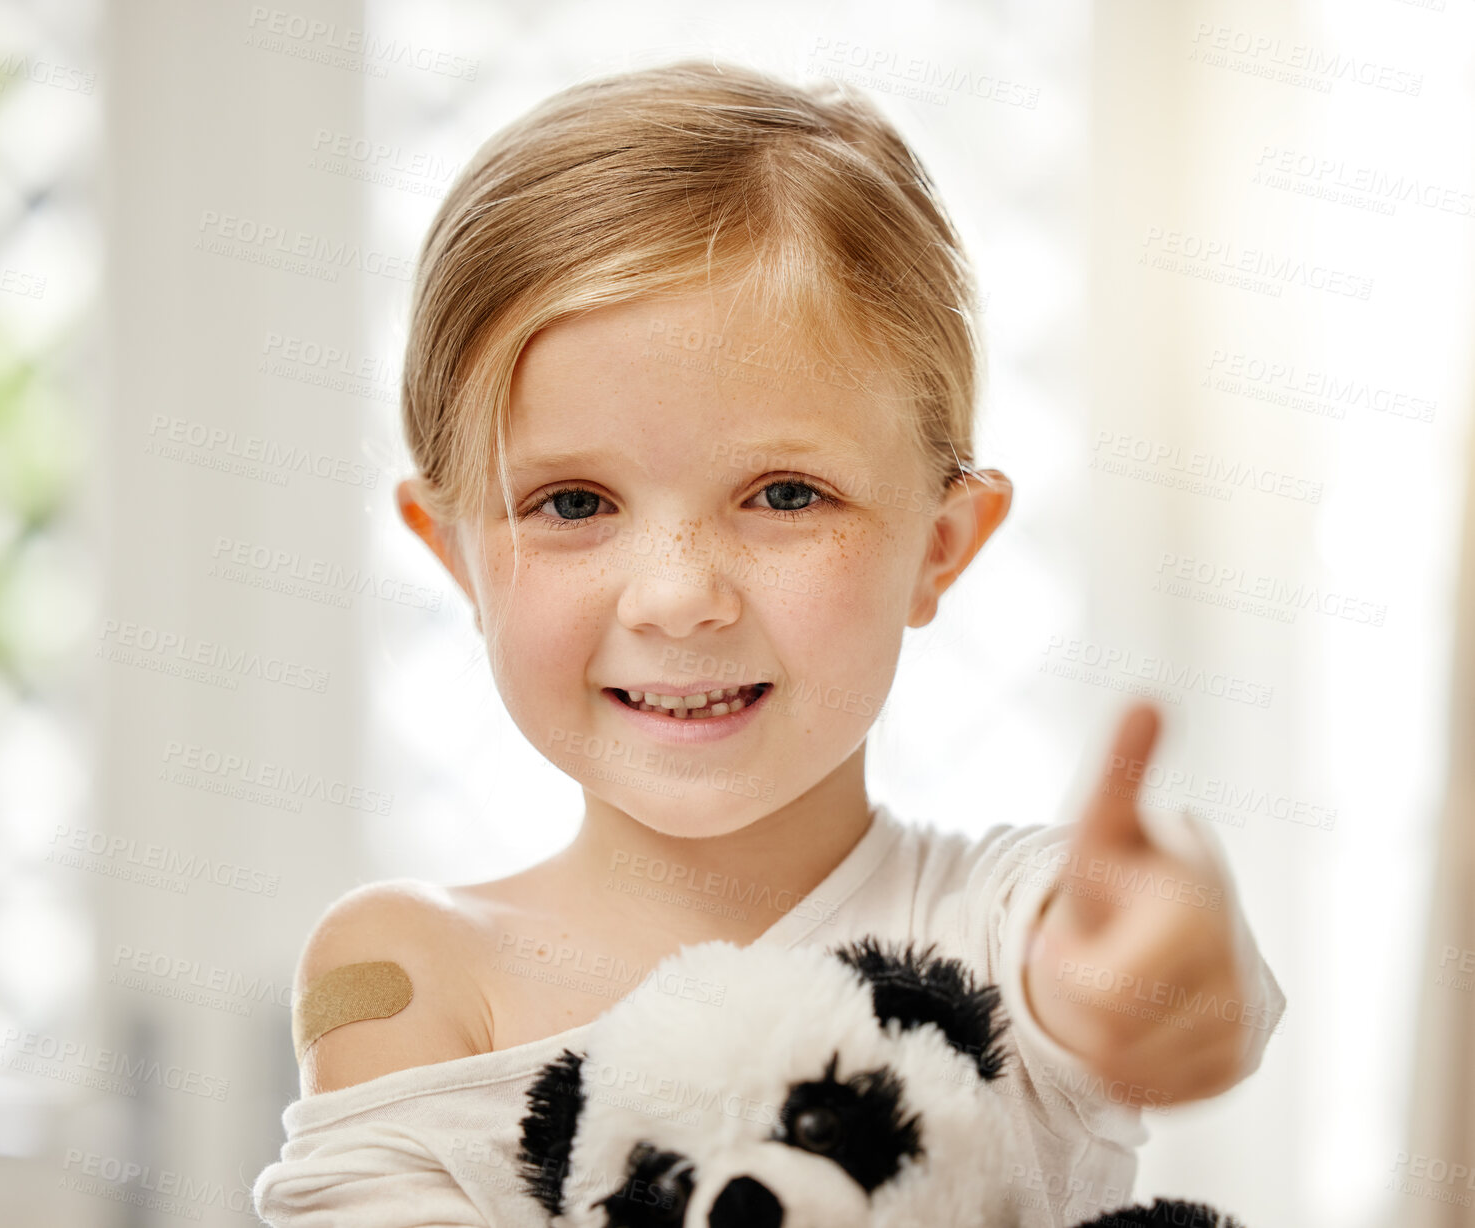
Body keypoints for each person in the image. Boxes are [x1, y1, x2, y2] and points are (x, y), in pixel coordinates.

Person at [251, 56, 1285, 1227]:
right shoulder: (416, 971)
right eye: (573, 504)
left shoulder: (1006, 934)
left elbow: (1172, 976)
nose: (678, 597)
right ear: (455, 557)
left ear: (939, 546)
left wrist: (1160, 980)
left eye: (785, 496)